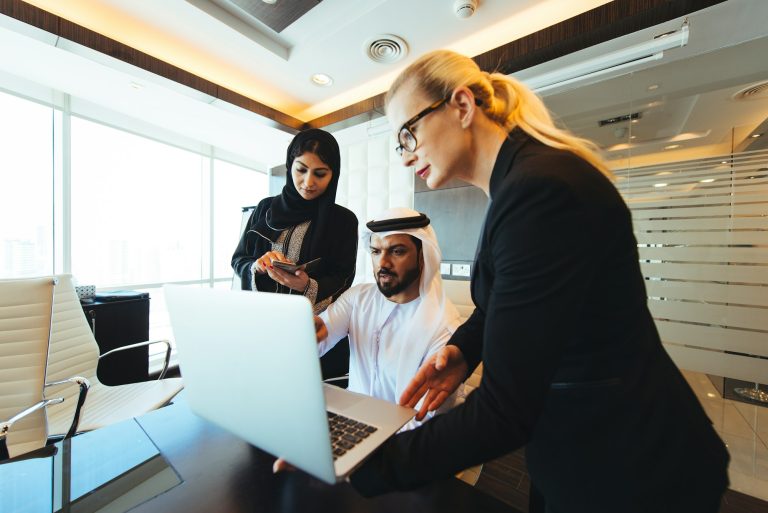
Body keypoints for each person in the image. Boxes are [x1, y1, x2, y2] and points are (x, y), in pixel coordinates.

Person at [348, 50, 730, 513]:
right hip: (576, 450)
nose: (408, 157)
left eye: (409, 134)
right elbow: (503, 307)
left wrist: (363, 461)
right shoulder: (516, 186)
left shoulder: (540, 191)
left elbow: (505, 409)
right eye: (399, 144)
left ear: (462, 107)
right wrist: (465, 350)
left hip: (633, 467)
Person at [315, 207, 464, 431]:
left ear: (422, 255)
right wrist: (307, 332)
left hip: (405, 445)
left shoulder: (444, 326)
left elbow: (427, 419)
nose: (382, 263)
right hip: (351, 428)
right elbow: (317, 342)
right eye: (375, 251)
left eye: (397, 251)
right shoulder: (359, 298)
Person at [231, 128, 357, 314]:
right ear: (290, 166)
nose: (308, 182)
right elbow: (239, 259)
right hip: (260, 319)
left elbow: (343, 278)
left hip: (313, 327)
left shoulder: (343, 221)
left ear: (334, 174)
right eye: (301, 170)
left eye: (320, 174)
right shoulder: (265, 208)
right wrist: (256, 266)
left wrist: (307, 286)